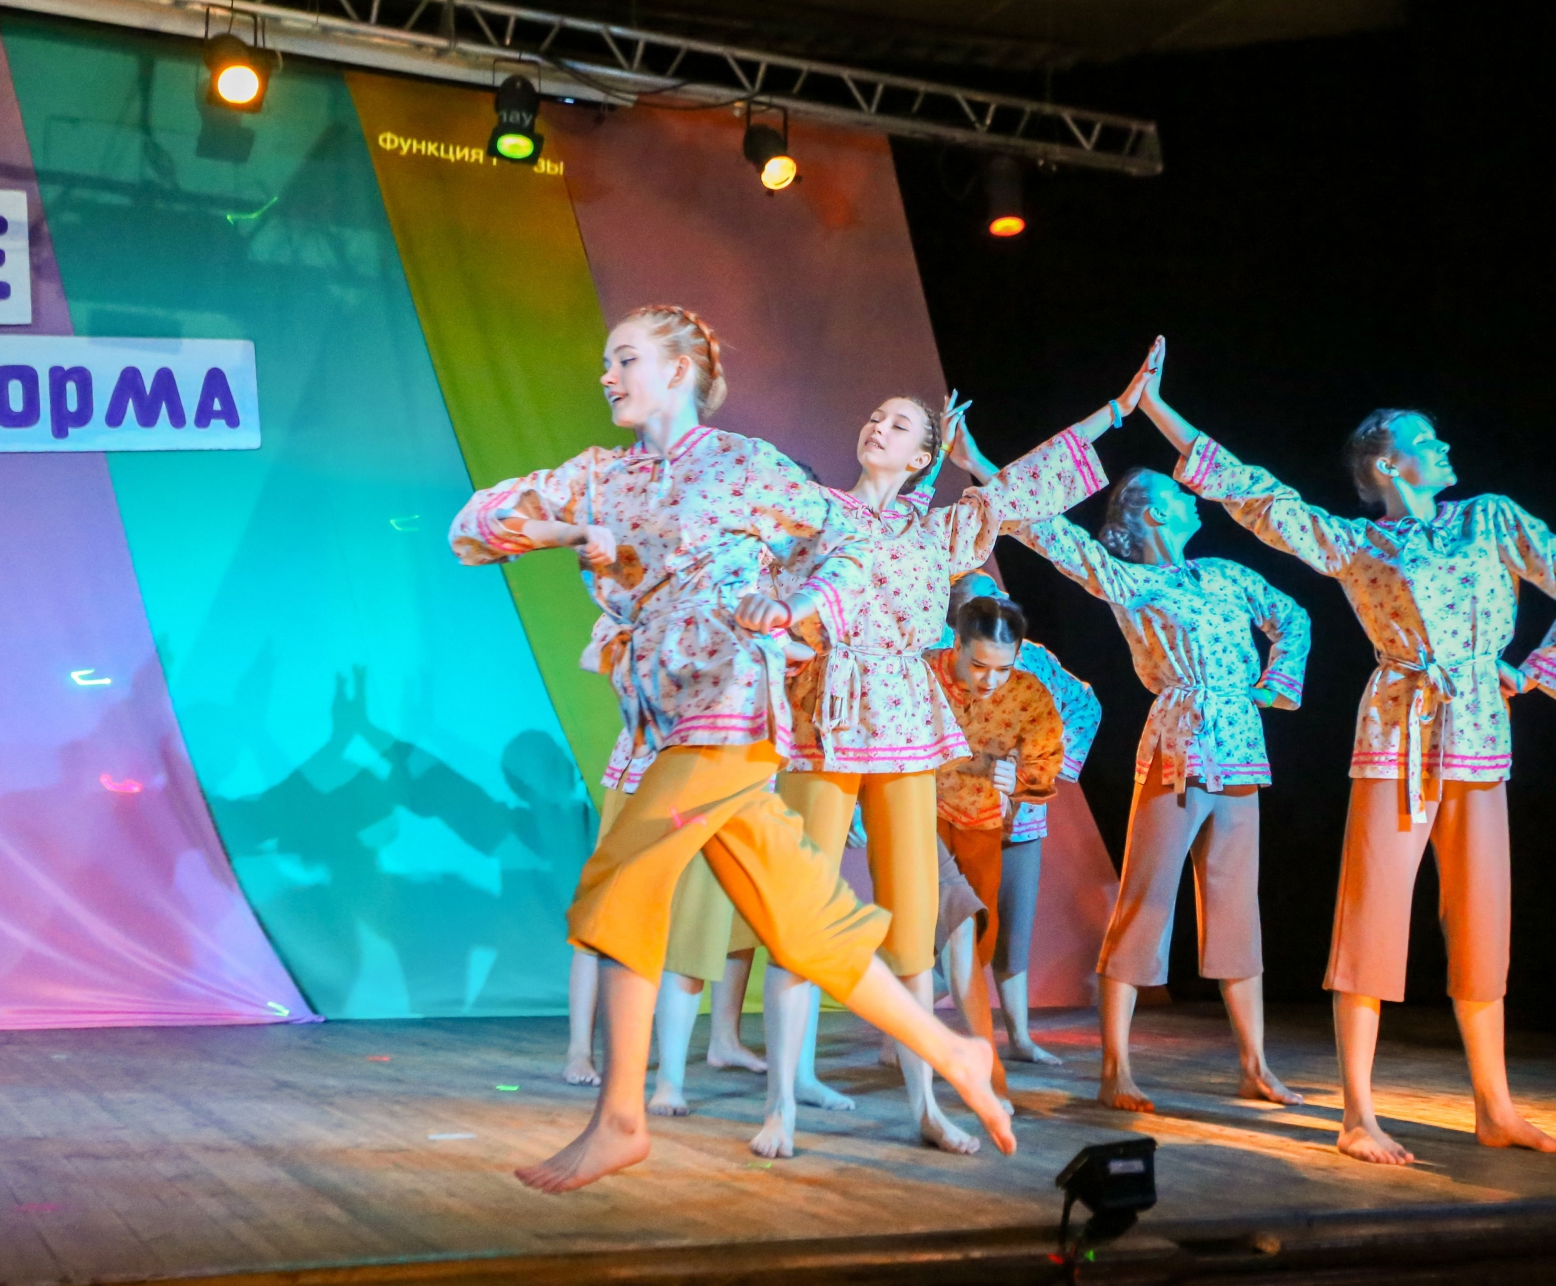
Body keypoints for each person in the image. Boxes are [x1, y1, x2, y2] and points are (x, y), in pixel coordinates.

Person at [449, 305, 1012, 1192]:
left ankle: (621, 1119)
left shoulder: (745, 466)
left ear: (679, 371)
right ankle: (952, 1051)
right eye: (607, 361)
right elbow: (472, 527)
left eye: (625, 359)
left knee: (622, 876)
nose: (607, 375)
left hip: (733, 713)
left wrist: (794, 606)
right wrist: (569, 532)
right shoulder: (602, 477)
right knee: (800, 917)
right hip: (665, 723)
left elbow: (848, 543)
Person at [1133, 335, 1556, 1164]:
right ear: (1388, 465)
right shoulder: (1358, 543)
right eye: (1427, 442)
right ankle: (1357, 1114)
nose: (1445, 448)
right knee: (1372, 919)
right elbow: (1259, 496)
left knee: (1483, 921)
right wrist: (1157, 411)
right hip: (1397, 733)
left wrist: (1537, 671)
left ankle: (1496, 1107)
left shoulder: (1491, 518)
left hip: (1478, 734)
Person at [766, 360, 1151, 1154]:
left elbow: (1027, 484)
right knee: (801, 910)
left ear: (924, 457)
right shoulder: (819, 512)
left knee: (915, 924)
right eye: (874, 416)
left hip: (906, 723)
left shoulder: (940, 530)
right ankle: (781, 1107)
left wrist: (1114, 411)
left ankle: (926, 1107)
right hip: (829, 716)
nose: (878, 427)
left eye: (899, 424)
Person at [963, 398, 1310, 1115]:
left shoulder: (1225, 574)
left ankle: (1256, 1064)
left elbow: (1293, 616)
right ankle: (1115, 1069)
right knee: (1145, 902)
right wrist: (980, 465)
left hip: (1241, 748)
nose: (1192, 500)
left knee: (1236, 906)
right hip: (1178, 747)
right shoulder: (1132, 581)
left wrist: (1276, 682)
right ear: (1152, 513)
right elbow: (1047, 532)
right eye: (1178, 495)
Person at [939, 572, 1100, 1065]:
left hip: (1017, 817)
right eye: (965, 606)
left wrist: (1033, 773)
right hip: (948, 817)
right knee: (944, 930)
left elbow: (1084, 705)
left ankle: (1020, 1038)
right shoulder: (938, 662)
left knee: (1013, 927)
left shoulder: (1033, 662)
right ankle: (902, 1037)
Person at [927, 595, 1065, 1099]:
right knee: (933, 929)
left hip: (982, 820)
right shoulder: (923, 675)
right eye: (979, 664)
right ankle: (956, 1059)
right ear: (958, 645)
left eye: (1002, 668)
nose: (989, 679)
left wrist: (1018, 777)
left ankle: (907, 1027)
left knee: (979, 936)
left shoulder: (1027, 693)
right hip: (920, 811)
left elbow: (1045, 757)